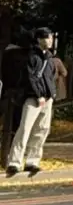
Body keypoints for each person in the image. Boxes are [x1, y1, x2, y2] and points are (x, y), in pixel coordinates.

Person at [5, 28, 58, 178]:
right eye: (48, 38)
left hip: (47, 98)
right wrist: (38, 94)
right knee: (25, 129)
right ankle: (14, 162)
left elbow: (49, 76)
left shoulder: (49, 57)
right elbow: (31, 77)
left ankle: (32, 161)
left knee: (42, 130)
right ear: (40, 39)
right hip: (33, 98)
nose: (50, 40)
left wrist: (51, 94)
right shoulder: (32, 56)